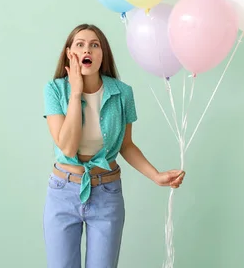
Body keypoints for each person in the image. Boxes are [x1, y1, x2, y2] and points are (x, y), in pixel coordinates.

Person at [42, 23, 185, 268]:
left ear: (102, 54)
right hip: (62, 192)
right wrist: (76, 93)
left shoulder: (123, 93)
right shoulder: (55, 90)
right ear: (70, 54)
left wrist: (156, 176)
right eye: (80, 44)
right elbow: (66, 147)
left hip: (106, 193)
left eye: (94, 45)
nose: (87, 49)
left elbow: (126, 146)